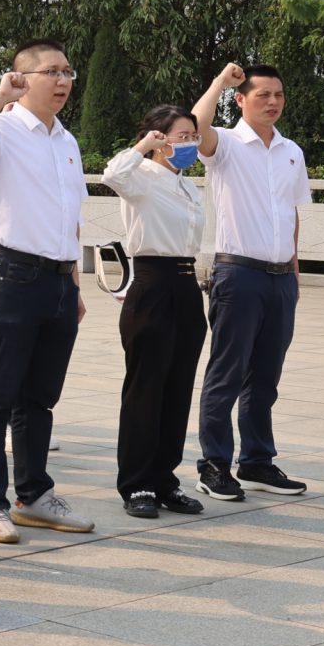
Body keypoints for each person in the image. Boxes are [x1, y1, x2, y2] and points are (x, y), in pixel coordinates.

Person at [0, 42, 95, 542]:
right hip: (12, 273)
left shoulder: (66, 141)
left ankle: (33, 496)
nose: (63, 80)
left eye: (68, 72)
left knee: (40, 398)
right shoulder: (3, 127)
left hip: (58, 279)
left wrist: (73, 283)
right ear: (22, 77)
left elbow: (71, 218)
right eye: (51, 71)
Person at [194, 62, 314, 503]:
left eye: (278, 94)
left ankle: (257, 462)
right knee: (227, 372)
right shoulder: (225, 144)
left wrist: (294, 272)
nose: (273, 102)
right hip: (238, 274)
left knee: (266, 377)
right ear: (241, 99)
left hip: (281, 279)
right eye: (263, 94)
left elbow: (290, 212)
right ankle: (214, 464)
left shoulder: (291, 151)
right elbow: (195, 127)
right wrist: (218, 83)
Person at [103, 105, 210, 519]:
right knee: (145, 389)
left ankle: (165, 480)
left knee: (177, 389)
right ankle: (137, 484)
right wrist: (144, 146)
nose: (190, 144)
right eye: (182, 136)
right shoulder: (140, 177)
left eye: (193, 137)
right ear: (159, 138)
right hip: (152, 282)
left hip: (186, 285)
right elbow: (112, 174)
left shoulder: (188, 186)